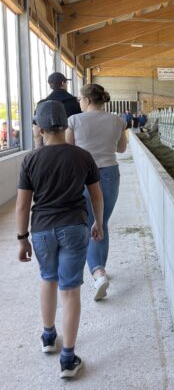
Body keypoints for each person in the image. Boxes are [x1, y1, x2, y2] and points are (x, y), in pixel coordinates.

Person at [16, 100, 104, 379]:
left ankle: (48, 336)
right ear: (66, 125)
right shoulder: (82, 156)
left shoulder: (29, 159)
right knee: (70, 289)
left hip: (41, 230)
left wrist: (22, 239)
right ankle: (68, 359)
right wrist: (98, 223)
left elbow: (21, 205)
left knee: (48, 279)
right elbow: (96, 195)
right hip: (75, 228)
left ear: (39, 129)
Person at [66, 84, 127, 301]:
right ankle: (100, 268)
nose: (79, 102)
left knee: (89, 223)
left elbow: (68, 149)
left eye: (80, 99)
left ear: (88, 100)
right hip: (110, 173)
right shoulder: (118, 120)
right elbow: (121, 149)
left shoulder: (74, 120)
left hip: (82, 175)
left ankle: (98, 272)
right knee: (102, 222)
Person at [33, 72, 82, 149]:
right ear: (63, 83)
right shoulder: (77, 102)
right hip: (73, 148)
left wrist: (38, 151)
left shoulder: (41, 104)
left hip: (49, 149)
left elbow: (37, 134)